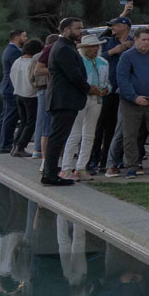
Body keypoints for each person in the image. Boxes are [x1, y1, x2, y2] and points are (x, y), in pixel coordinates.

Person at [39, 19, 92, 187]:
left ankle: (51, 171)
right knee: (57, 138)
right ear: (66, 30)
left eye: (82, 28)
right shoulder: (63, 48)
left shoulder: (66, 46)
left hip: (65, 99)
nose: (81, 31)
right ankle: (50, 174)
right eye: (78, 28)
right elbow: (74, 75)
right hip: (63, 100)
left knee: (59, 137)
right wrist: (89, 88)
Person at [113, 26, 149, 176]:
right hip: (131, 101)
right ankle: (131, 165)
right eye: (143, 40)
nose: (146, 43)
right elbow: (122, 80)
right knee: (130, 134)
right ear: (136, 40)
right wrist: (134, 97)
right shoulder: (127, 56)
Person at [58, 35, 109, 179]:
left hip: (97, 99)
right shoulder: (79, 61)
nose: (96, 49)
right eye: (92, 46)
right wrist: (88, 89)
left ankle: (81, 168)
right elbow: (74, 80)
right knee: (75, 134)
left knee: (89, 134)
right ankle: (66, 168)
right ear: (84, 48)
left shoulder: (103, 62)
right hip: (80, 99)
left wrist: (107, 89)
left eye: (97, 46)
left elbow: (107, 81)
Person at [0, 27, 29, 153]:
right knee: (10, 118)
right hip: (10, 88)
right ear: (17, 38)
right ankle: (5, 145)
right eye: (24, 36)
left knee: (5, 117)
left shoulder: (10, 50)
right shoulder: (14, 52)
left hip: (7, 87)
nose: (26, 38)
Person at [7, 39, 41, 158]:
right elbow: (33, 79)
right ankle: (21, 147)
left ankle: (15, 145)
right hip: (31, 95)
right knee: (30, 123)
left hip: (18, 93)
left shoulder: (17, 61)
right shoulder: (33, 62)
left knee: (23, 122)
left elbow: (11, 76)